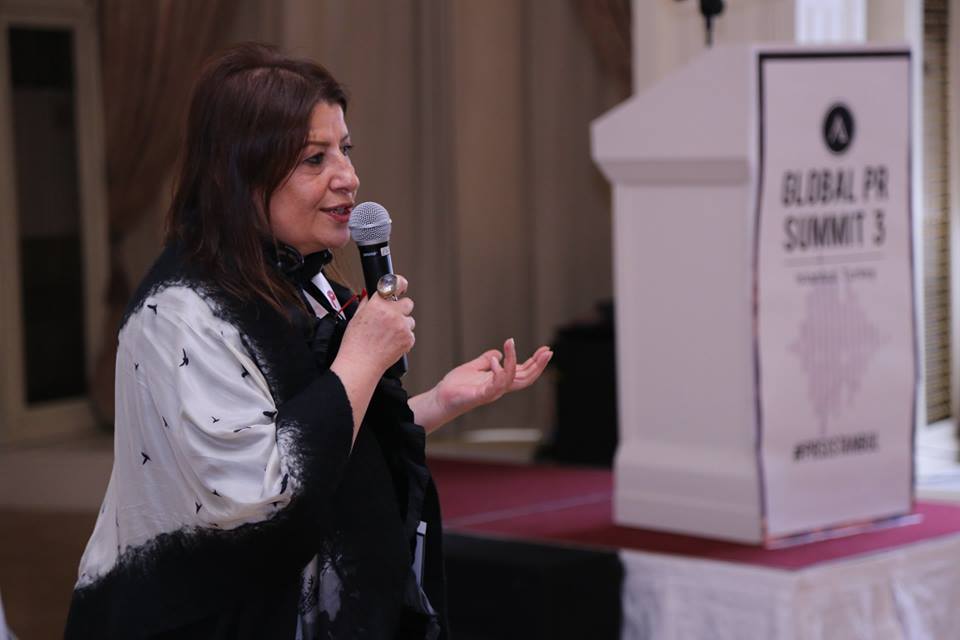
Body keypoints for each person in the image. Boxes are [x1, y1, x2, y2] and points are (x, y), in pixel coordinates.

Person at [64, 43, 551, 639]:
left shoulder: (299, 279)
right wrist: (363, 356)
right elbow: (261, 495)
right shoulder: (180, 311)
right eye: (314, 159)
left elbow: (334, 443)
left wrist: (442, 401)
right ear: (240, 175)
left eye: (345, 150)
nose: (349, 178)